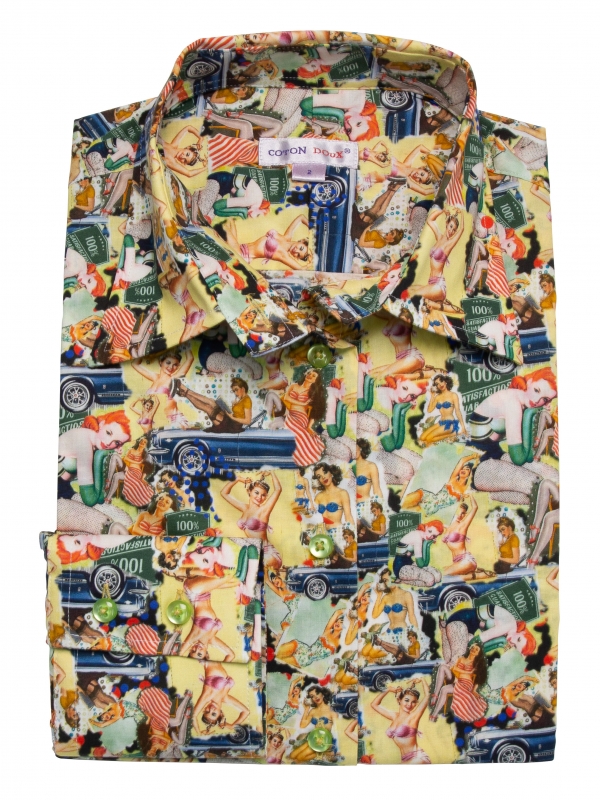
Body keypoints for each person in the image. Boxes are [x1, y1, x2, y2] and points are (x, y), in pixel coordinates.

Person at [58, 410, 131, 506]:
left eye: (116, 442)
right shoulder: (84, 443)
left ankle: (63, 485)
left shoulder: (91, 438)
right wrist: (103, 454)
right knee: (72, 463)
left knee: (73, 464)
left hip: (62, 479)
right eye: (108, 433)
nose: (108, 443)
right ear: (101, 425)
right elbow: (89, 499)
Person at [371, 678, 431, 763]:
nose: (409, 704)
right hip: (405, 758)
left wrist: (422, 679)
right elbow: (374, 705)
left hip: (418, 757)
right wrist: (388, 689)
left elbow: (428, 696)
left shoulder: (413, 717)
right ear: (399, 700)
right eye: (406, 700)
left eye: (413, 702)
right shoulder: (394, 716)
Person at [132, 348, 193, 428]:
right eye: (168, 362)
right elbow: (135, 364)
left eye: (175, 365)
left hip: (174, 423)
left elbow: (190, 358)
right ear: (160, 362)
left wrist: (185, 345)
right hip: (158, 423)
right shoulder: (154, 377)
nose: (171, 367)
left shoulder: (173, 379)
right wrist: (144, 348)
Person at [282, 367, 327, 467]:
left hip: (302, 417)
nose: (310, 375)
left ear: (316, 381)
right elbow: (286, 397)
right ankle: (297, 458)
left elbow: (315, 411)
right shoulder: (294, 385)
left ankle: (307, 458)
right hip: (291, 414)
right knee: (293, 431)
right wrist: (302, 403)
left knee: (299, 433)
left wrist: (309, 426)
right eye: (309, 373)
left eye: (313, 376)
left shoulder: (313, 392)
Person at [419, 374, 466, 446]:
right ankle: (452, 434)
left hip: (450, 424)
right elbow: (429, 410)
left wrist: (463, 427)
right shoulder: (437, 397)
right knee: (422, 437)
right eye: (437, 384)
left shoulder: (453, 395)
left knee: (428, 438)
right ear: (436, 386)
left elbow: (457, 411)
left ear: (445, 381)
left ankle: (453, 433)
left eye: (441, 381)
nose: (440, 384)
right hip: (440, 422)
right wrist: (432, 396)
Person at [313, 462, 355, 529]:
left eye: (325, 472)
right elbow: (313, 518)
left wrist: (352, 533)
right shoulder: (318, 497)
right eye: (319, 476)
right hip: (322, 533)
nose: (323, 477)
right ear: (318, 480)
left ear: (331, 473)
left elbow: (348, 517)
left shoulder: (342, 493)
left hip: (338, 532)